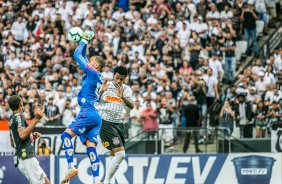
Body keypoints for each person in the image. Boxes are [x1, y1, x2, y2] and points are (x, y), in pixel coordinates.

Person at [60, 30, 105, 184]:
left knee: (65, 136)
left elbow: (78, 55)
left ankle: (71, 166)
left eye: (91, 61)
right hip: (96, 117)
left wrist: (84, 40)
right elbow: (84, 57)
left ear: (96, 65)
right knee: (91, 148)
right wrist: (86, 42)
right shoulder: (98, 76)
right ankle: (97, 179)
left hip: (88, 112)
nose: (88, 63)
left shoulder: (93, 73)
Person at [98, 66, 134, 184]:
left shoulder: (126, 89)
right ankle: (106, 181)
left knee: (113, 153)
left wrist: (123, 97)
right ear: (114, 75)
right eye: (117, 78)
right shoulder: (105, 85)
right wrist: (102, 91)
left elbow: (132, 106)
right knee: (121, 154)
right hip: (106, 122)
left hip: (119, 124)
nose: (118, 81)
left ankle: (108, 181)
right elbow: (93, 101)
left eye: (121, 79)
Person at [8, 95, 50, 184]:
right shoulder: (19, 117)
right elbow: (22, 135)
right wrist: (36, 119)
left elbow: (13, 143)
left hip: (22, 157)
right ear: (20, 104)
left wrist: (31, 137)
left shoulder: (11, 119)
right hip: (26, 157)